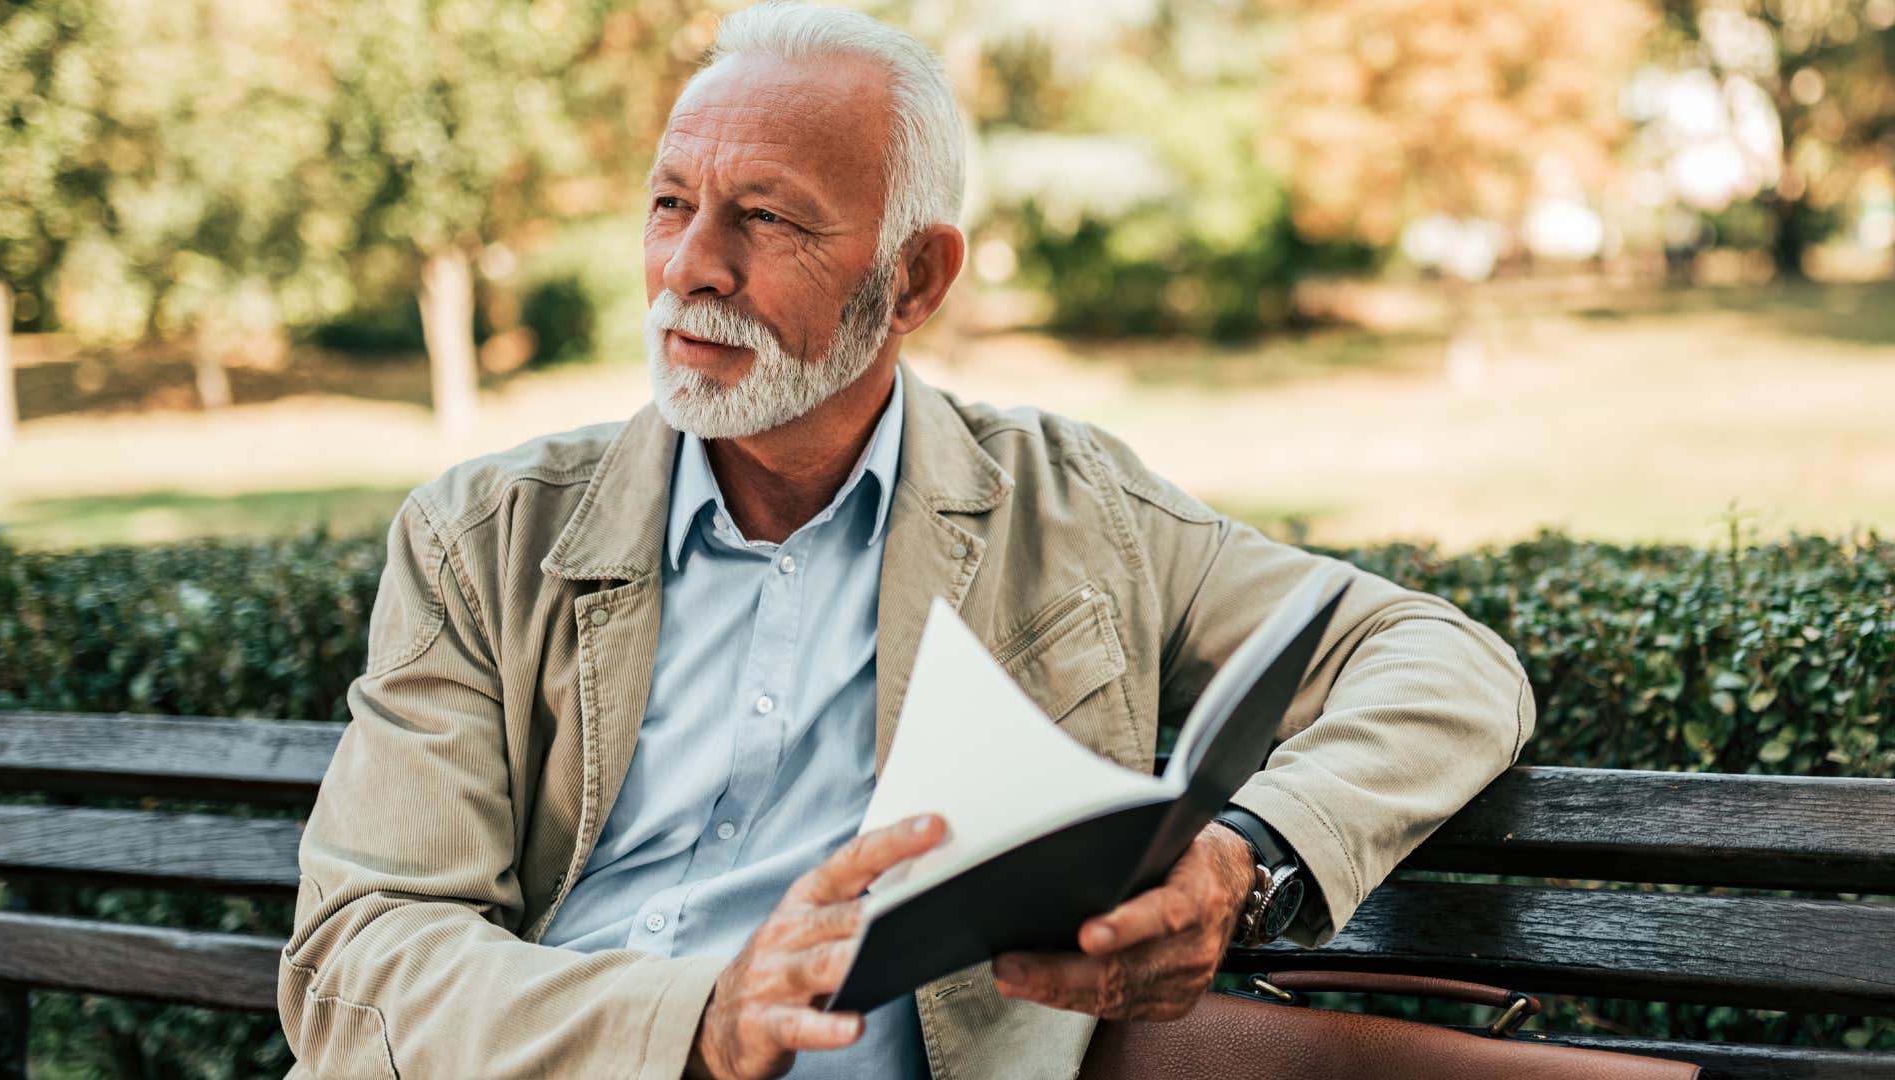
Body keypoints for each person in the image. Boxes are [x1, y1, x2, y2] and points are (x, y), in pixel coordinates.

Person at [277, 4, 1534, 1078]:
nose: (690, 269)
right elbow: (361, 953)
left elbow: (1439, 660)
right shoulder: (484, 536)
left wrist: (1243, 859)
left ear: (916, 281)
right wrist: (698, 1026)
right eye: (671, 204)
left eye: (765, 218)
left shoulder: (1070, 505)